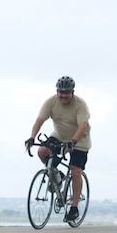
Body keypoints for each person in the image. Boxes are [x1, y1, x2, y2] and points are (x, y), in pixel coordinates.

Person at [26, 76, 91, 223]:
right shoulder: (51, 102)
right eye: (61, 92)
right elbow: (39, 120)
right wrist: (32, 138)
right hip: (59, 136)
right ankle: (57, 176)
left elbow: (82, 126)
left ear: (72, 92)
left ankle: (73, 208)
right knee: (42, 151)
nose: (63, 95)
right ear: (57, 91)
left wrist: (73, 142)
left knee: (75, 171)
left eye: (66, 92)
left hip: (80, 140)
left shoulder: (80, 105)